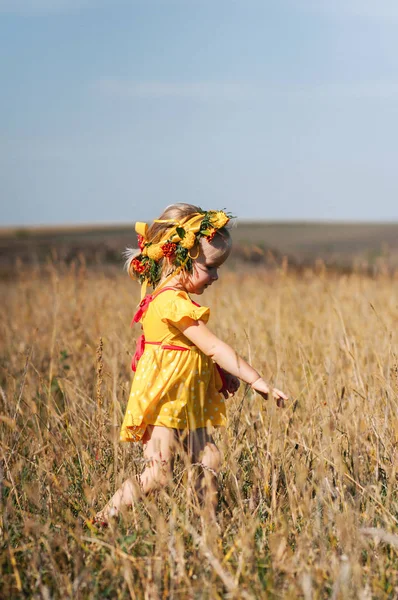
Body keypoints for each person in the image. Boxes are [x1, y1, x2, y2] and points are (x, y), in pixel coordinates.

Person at [94, 203, 287, 524]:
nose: (216, 275)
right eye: (210, 267)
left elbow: (192, 350)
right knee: (158, 475)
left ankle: (207, 528)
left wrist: (223, 373)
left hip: (188, 401)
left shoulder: (178, 301)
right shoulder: (170, 302)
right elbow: (211, 346)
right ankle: (102, 518)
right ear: (177, 259)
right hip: (166, 402)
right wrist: (256, 379)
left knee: (209, 458)